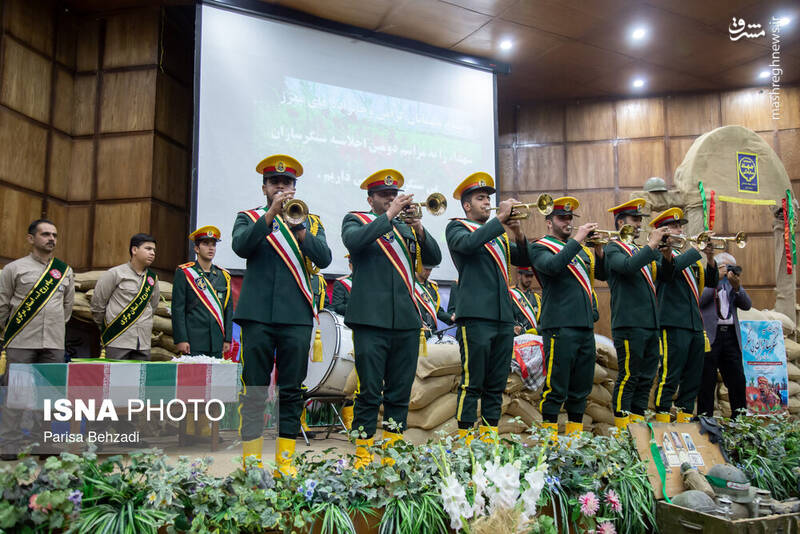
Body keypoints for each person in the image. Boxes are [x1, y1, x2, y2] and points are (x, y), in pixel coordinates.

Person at [233, 154, 332, 476]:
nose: (280, 187)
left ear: (294, 188)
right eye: (274, 182)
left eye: (286, 182)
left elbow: (325, 258)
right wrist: (270, 216)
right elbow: (241, 247)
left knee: (292, 390)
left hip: (296, 317)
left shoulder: (310, 222)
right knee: (255, 389)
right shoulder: (249, 217)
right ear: (264, 187)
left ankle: (285, 464)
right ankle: (251, 464)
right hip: (258, 316)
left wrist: (299, 228)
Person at [342, 169, 441, 467]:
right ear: (370, 199)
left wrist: (419, 228)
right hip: (370, 322)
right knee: (369, 392)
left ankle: (392, 456)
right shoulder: (356, 220)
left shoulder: (406, 228)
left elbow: (434, 258)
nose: (390, 199)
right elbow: (354, 242)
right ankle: (362, 456)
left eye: (393, 194)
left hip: (406, 322)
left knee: (399, 394)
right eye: (384, 195)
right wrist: (388, 216)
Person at [446, 173, 529, 443]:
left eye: (488, 198)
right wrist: (500, 220)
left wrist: (517, 232)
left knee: (496, 384)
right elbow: (468, 245)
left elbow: (525, 259)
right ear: (467, 205)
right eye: (480, 198)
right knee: (472, 383)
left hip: (503, 318)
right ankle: (465, 441)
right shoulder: (456, 228)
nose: (486, 203)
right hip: (475, 317)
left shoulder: (498, 235)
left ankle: (489, 438)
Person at [529, 197, 606, 439]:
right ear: (549, 222)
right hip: (559, 325)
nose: (568, 222)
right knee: (556, 388)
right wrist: (578, 239)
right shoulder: (539, 247)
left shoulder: (579, 250)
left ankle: (575, 441)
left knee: (581, 389)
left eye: (570, 218)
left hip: (584, 325)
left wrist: (599, 251)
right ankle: (549, 443)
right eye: (562, 218)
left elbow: (602, 275)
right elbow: (553, 266)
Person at [0, 219, 74, 460]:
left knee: (50, 397)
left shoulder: (64, 271)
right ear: (31, 238)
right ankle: (9, 445)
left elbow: (67, 309)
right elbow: (2, 304)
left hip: (53, 344)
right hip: (21, 342)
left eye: (54, 235)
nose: (51, 238)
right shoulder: (14, 269)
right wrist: (10, 331)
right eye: (45, 234)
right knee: (15, 394)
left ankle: (45, 444)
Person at [603, 199, 668, 431]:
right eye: (635, 219)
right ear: (621, 223)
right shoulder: (612, 248)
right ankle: (623, 429)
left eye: (640, 220)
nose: (640, 224)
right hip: (629, 323)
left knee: (646, 378)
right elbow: (628, 267)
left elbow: (667, 274)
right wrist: (652, 245)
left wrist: (667, 252)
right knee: (629, 376)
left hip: (650, 324)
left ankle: (638, 426)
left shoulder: (642, 251)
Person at [652, 208, 718, 423]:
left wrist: (710, 257)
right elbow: (669, 272)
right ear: (662, 231)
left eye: (680, 226)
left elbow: (711, 282)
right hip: (672, 323)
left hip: (694, 324)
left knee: (692, 379)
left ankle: (684, 422)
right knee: (669, 376)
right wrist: (697, 249)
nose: (680, 230)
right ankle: (662, 421)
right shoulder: (657, 254)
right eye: (674, 226)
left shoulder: (688, 257)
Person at [91, 233, 160, 360]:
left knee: (141, 373)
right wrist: (108, 327)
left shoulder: (152, 279)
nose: (152, 253)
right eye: (148, 249)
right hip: (117, 339)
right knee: (115, 373)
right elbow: (98, 304)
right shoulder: (115, 273)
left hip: (143, 342)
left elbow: (153, 306)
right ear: (134, 250)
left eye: (154, 250)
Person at [698, 252, 751, 418]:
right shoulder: (707, 281)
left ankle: (739, 419)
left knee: (737, 379)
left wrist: (737, 287)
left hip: (730, 336)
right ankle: (705, 419)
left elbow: (747, 305)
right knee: (707, 379)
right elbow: (700, 300)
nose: (730, 271)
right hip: (711, 335)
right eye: (727, 267)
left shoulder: (732, 284)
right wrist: (715, 279)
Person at [172, 225, 232, 358]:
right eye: (206, 244)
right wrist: (181, 339)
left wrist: (227, 338)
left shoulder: (223, 276)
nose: (211, 248)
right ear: (196, 248)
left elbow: (227, 309)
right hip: (193, 340)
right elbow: (178, 309)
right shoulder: (185, 273)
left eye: (213, 244)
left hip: (217, 341)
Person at [414, 263, 454, 339]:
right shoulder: (410, 285)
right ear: (417, 267)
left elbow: (436, 310)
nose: (429, 272)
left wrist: (451, 318)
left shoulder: (432, 287)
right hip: (417, 332)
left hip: (432, 332)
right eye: (426, 269)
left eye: (430, 269)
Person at [510, 266, 541, 335]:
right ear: (519, 276)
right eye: (526, 276)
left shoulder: (537, 298)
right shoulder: (510, 295)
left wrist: (537, 330)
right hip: (516, 338)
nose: (529, 279)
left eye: (531, 276)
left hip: (534, 338)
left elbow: (543, 322)